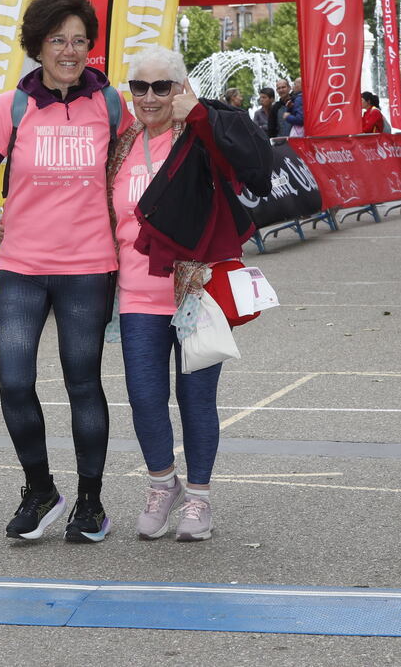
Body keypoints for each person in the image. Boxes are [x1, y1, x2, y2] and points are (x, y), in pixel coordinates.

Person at [0, 0, 131, 544]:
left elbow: (135, 177)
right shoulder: (12, 107)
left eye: (78, 41)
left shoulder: (112, 104)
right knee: (14, 380)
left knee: (82, 383)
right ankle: (40, 488)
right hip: (22, 267)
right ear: (37, 46)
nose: (69, 51)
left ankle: (92, 504)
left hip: (89, 268)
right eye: (57, 40)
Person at [107, 45, 270, 541]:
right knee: (144, 397)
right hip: (136, 294)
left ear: (180, 88)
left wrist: (199, 113)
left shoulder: (201, 133)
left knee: (197, 399)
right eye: (140, 87)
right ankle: (163, 485)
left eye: (162, 86)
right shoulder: (123, 142)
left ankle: (198, 498)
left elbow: (249, 164)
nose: (150, 97)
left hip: (195, 289)